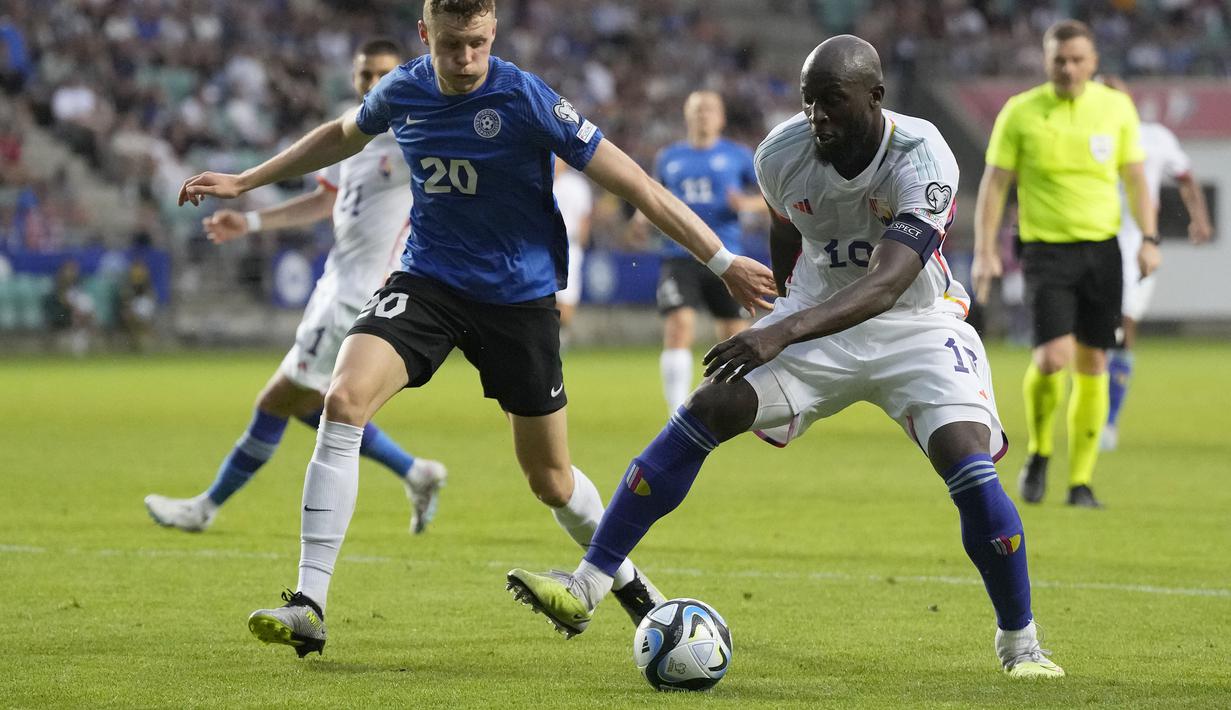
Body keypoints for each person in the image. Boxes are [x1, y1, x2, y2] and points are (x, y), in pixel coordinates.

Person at [176, 0, 775, 658]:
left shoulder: (523, 97)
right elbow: (341, 134)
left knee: (548, 478)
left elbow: (635, 182)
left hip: (519, 302)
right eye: (452, 45)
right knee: (341, 402)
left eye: (478, 45)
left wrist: (720, 260)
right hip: (428, 283)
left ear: (494, 33)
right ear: (425, 35)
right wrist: (247, 180)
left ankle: (629, 590)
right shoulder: (403, 87)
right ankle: (309, 604)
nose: (465, 61)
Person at [507, 35, 1065, 680]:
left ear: (875, 98)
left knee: (967, 463)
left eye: (833, 101)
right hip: (813, 317)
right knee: (711, 403)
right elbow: (784, 226)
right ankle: (586, 588)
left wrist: (781, 331)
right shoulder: (781, 153)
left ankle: (1020, 644)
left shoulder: (923, 154)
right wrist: (775, 312)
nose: (817, 117)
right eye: (808, 103)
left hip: (915, 321)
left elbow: (887, 281)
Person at [146, 40, 447, 535]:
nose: (373, 84)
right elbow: (323, 201)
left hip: (360, 294)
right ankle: (416, 472)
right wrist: (253, 224)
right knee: (312, 403)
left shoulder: (414, 137)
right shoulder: (355, 132)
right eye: (364, 74)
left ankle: (205, 508)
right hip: (333, 284)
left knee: (276, 401)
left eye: (383, 76)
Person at [971, 20, 1157, 509]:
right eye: (1060, 60)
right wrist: (987, 248)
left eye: (1078, 59)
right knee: (1052, 359)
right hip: (1045, 250)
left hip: (1102, 250)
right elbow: (995, 183)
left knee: (1095, 361)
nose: (1069, 68)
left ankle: (1081, 482)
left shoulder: (1116, 108)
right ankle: (1039, 452)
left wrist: (1150, 237)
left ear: (1094, 62)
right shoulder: (1022, 111)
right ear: (1047, 61)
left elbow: (1136, 179)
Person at [629, 91, 766, 413]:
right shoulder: (669, 157)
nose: (703, 114)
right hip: (680, 255)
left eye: (709, 109)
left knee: (734, 336)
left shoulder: (739, 155)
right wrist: (639, 219)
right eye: (697, 109)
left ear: (721, 118)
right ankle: (678, 410)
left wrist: (746, 204)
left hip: (727, 257)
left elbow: (771, 197)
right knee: (679, 325)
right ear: (686, 116)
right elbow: (654, 195)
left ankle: (734, 405)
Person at [1097, 77, 1213, 451]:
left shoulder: (1155, 137)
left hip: (1136, 247)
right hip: (1090, 241)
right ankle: (1094, 414)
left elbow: (1186, 179)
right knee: (1094, 335)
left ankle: (1109, 421)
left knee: (1123, 328)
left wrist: (1200, 218)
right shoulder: (1087, 135)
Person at [552, 155, 593, 339]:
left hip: (569, 245)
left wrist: (580, 246)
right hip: (541, 245)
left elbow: (584, 218)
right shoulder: (537, 179)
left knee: (567, 299)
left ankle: (560, 338)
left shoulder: (576, 185)